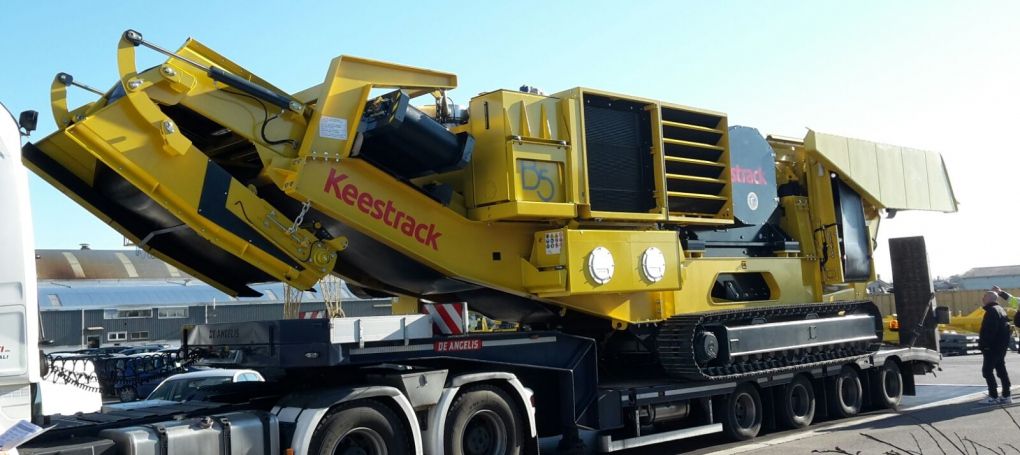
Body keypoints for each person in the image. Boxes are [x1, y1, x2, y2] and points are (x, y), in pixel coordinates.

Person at [979, 290, 1012, 404]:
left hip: (992, 347)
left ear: (990, 298)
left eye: (985, 296)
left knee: (987, 371)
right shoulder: (1001, 310)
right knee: (1001, 370)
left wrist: (985, 345)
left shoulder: (992, 311)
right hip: (1000, 347)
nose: (983, 298)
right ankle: (1006, 395)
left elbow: (989, 331)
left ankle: (993, 396)